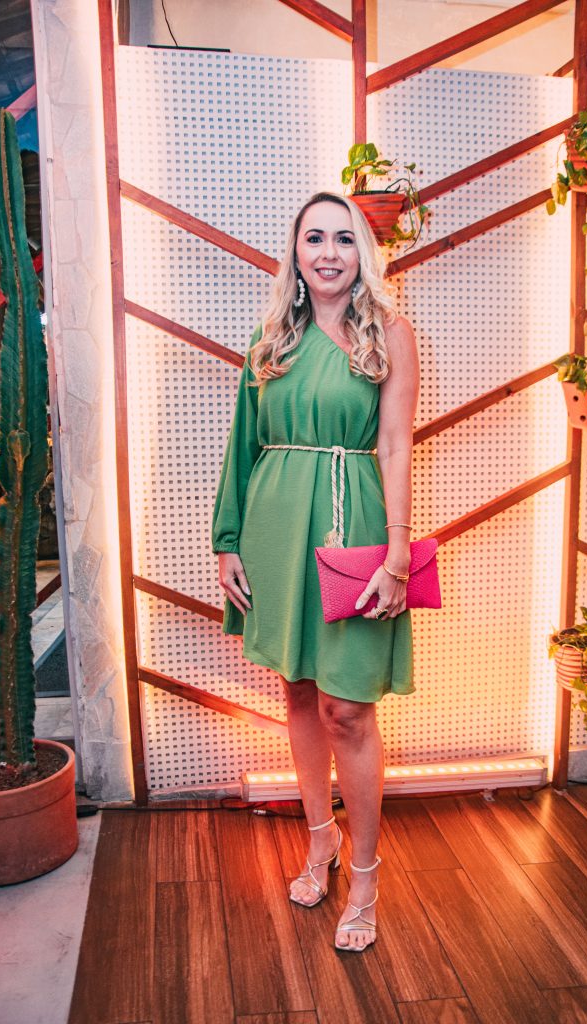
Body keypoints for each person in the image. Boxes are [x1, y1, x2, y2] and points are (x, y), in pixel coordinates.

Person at [211, 191, 420, 952]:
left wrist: (397, 550)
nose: (328, 252)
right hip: (275, 531)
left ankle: (364, 876)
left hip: (352, 523)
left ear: (362, 251)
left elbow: (394, 445)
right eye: (314, 239)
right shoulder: (269, 337)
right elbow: (242, 444)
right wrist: (228, 540)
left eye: (343, 238)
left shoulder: (390, 333)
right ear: (295, 253)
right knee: (298, 690)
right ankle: (319, 840)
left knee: (347, 710)